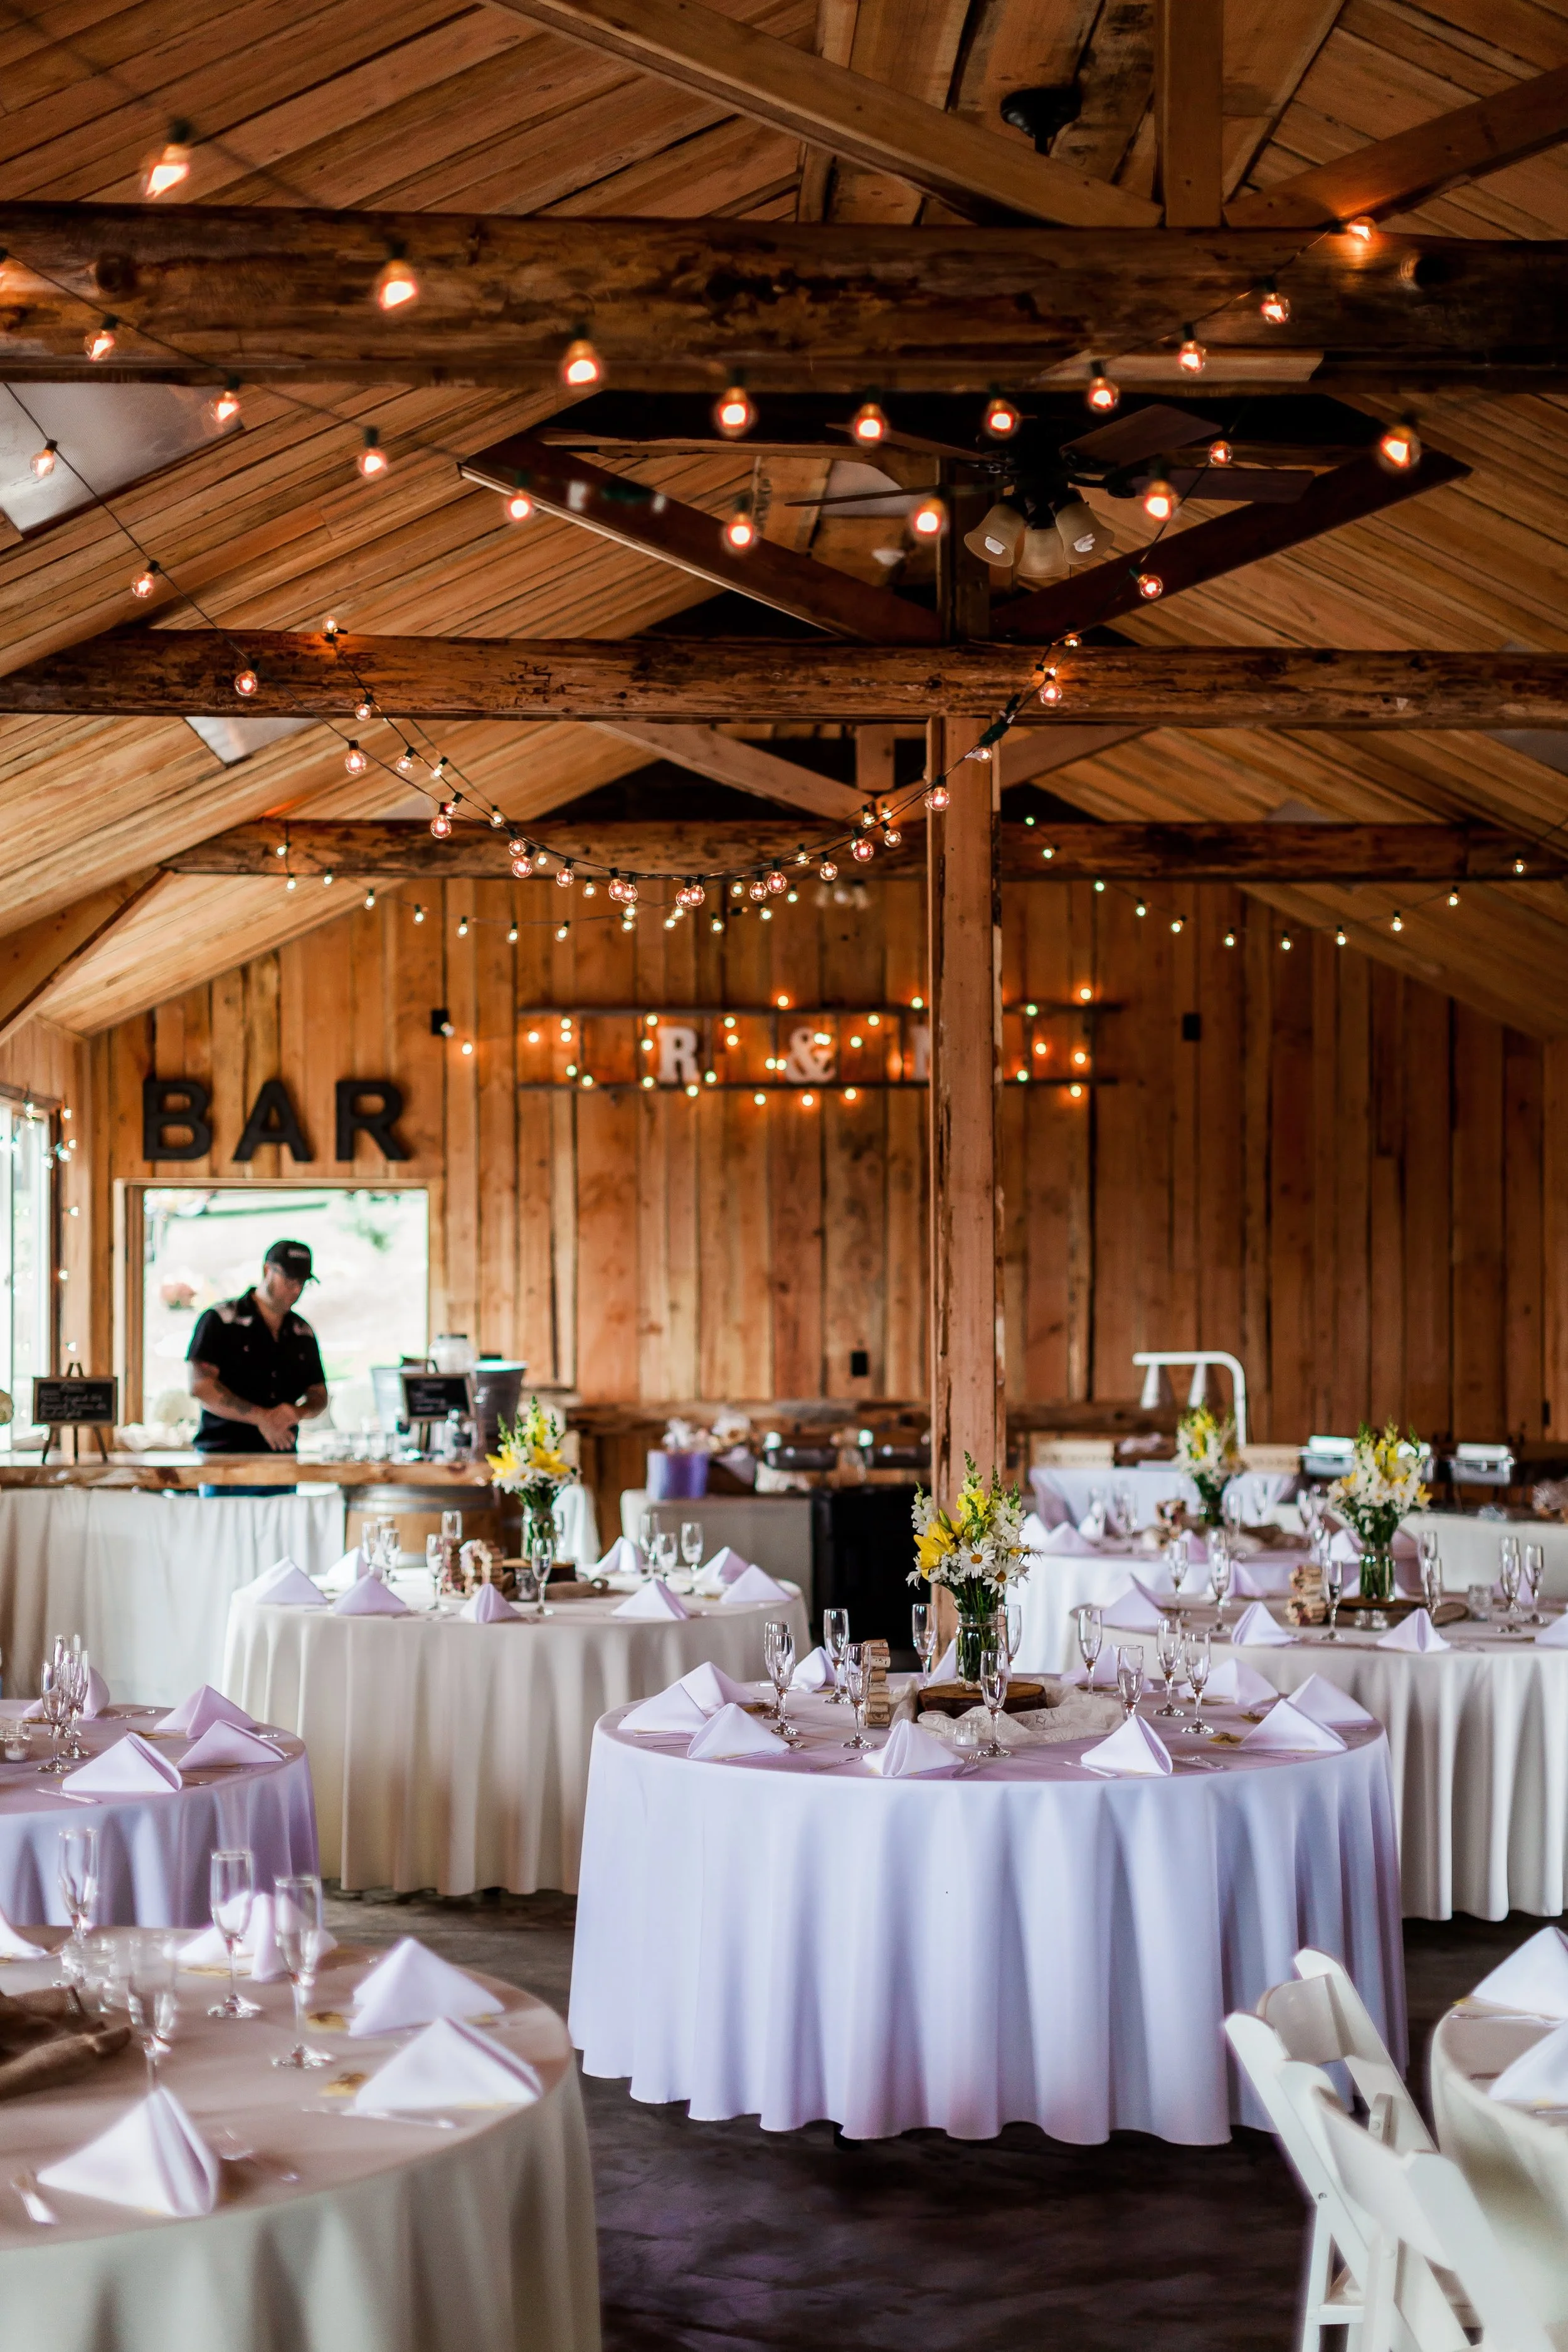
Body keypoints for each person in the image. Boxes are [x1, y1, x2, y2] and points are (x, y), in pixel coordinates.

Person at [186, 1241, 328, 1490]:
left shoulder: (302, 1332)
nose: (296, 1290)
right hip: (225, 1464)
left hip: (282, 1462)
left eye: (303, 1283)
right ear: (267, 1270)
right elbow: (202, 1387)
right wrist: (262, 1418)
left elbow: (319, 1394)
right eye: (289, 1281)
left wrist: (298, 1412)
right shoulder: (221, 1320)